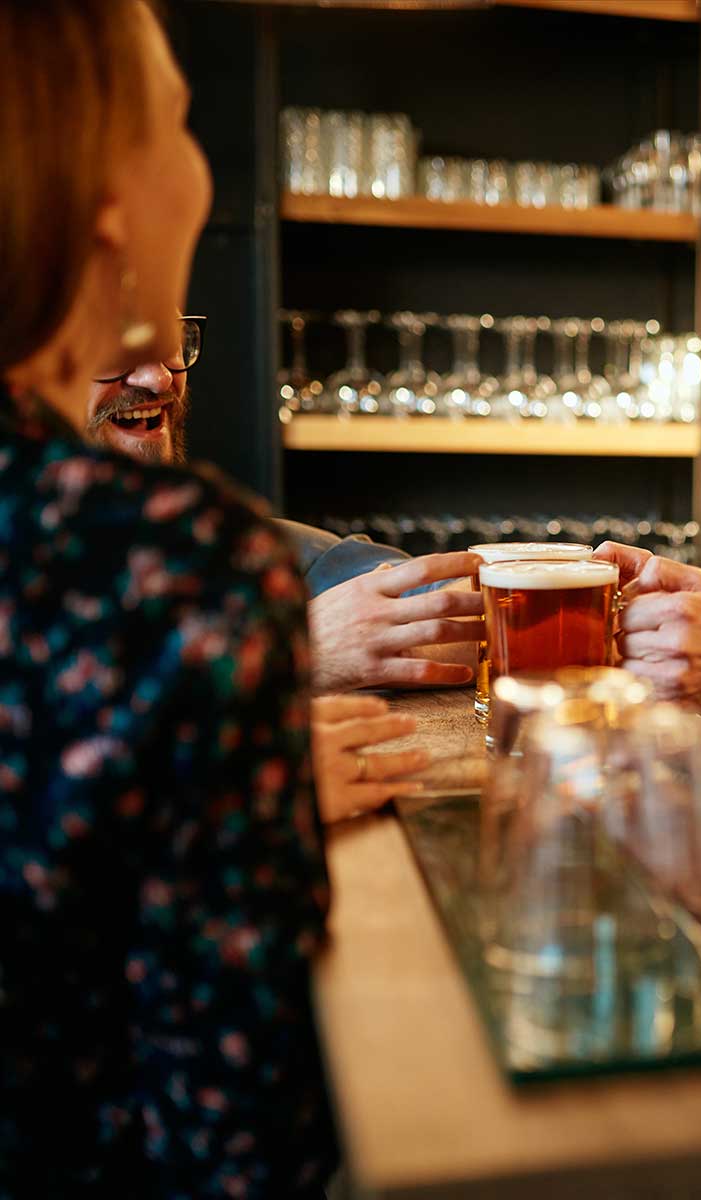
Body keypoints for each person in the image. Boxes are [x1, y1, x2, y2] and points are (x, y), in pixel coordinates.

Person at [0, 0, 337, 1192]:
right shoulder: (175, 574)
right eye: (179, 124)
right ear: (105, 195)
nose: (201, 172)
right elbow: (239, 1129)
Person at [86, 346, 484, 695]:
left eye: (168, 341)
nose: (159, 378)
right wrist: (287, 653)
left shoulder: (250, 550)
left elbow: (479, 615)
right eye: (118, 345)